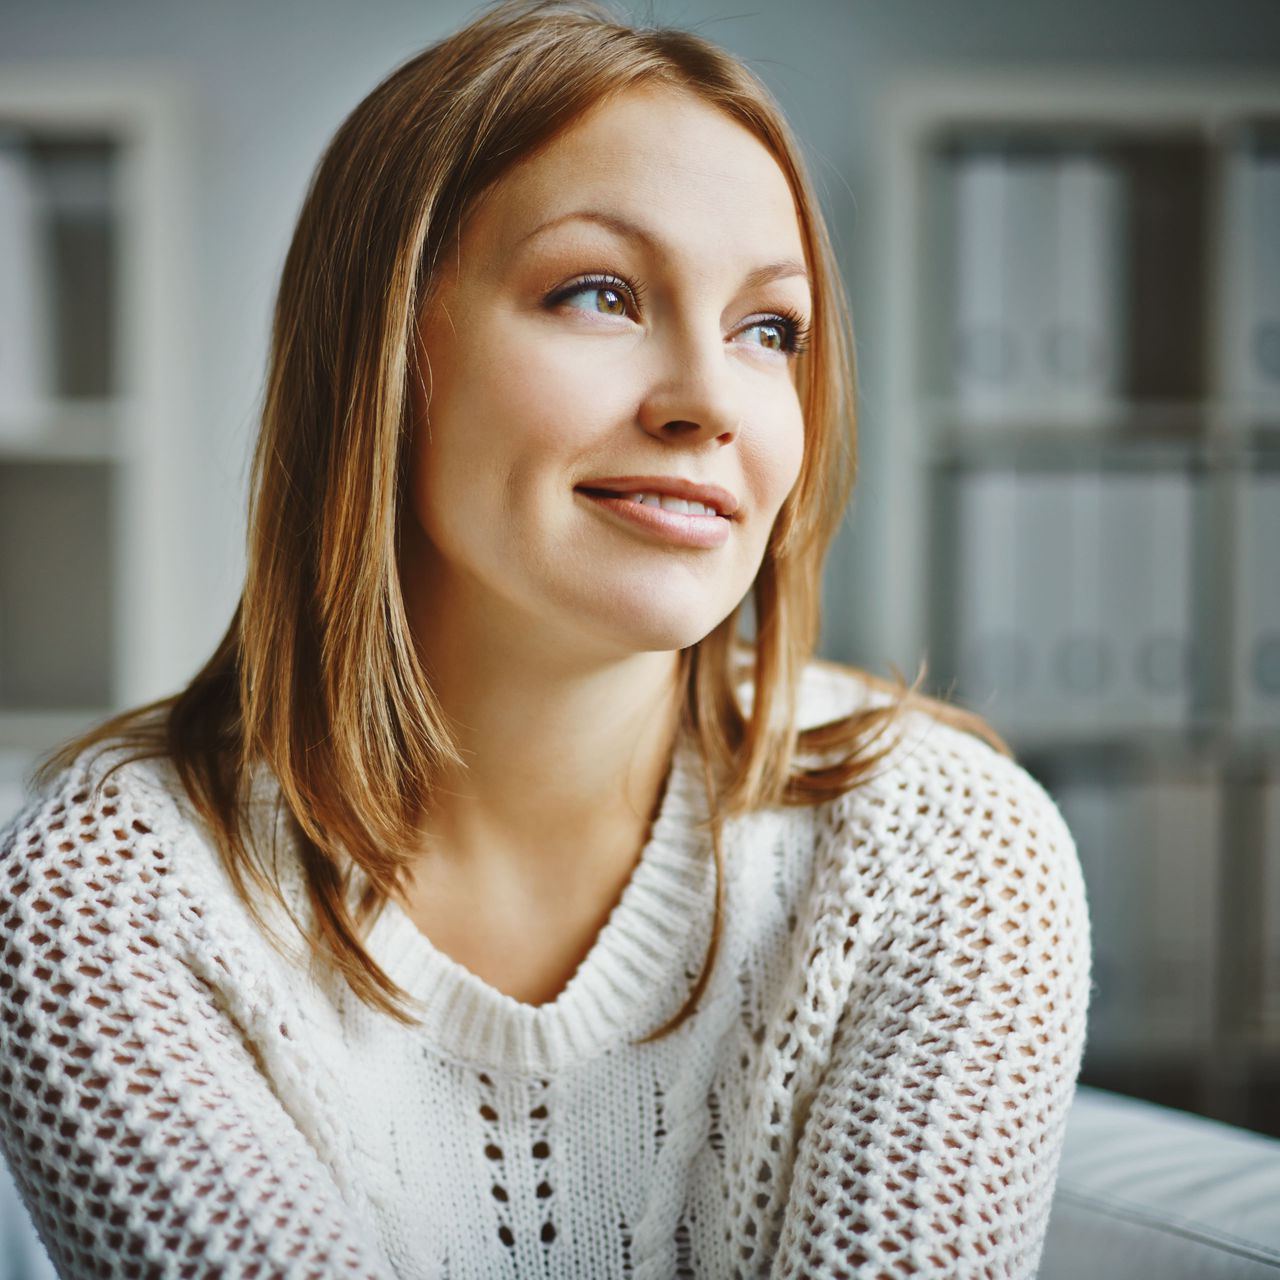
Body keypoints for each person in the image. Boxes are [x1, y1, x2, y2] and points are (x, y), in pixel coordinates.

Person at [0, 1, 1092, 1276]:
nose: (707, 400)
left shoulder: (948, 843)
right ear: (385, 355)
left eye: (767, 329)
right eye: (598, 293)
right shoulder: (101, 900)